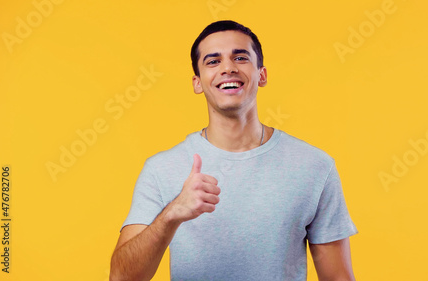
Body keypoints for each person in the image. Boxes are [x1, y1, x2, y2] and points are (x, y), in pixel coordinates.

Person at [110, 20, 358, 281]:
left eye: (240, 57)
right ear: (197, 82)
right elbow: (121, 277)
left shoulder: (315, 166)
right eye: (213, 61)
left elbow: (338, 277)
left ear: (261, 75)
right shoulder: (161, 169)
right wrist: (172, 214)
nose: (228, 68)